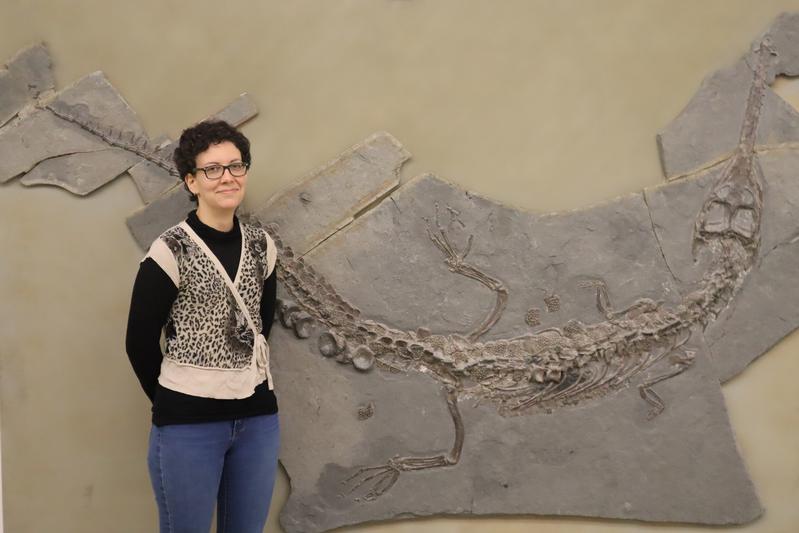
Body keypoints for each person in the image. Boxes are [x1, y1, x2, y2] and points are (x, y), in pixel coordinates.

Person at [125, 120, 279, 533]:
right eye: (213, 169)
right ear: (192, 181)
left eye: (235, 166)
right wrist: (172, 403)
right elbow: (139, 340)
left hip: (257, 420)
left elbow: (264, 321)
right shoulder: (170, 248)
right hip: (188, 425)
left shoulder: (263, 245)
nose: (227, 177)